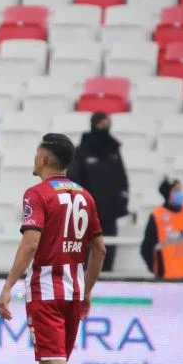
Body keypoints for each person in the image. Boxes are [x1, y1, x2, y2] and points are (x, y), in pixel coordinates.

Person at [0, 134, 107, 364]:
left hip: (45, 292)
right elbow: (99, 249)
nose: (34, 159)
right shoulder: (84, 196)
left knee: (53, 362)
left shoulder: (37, 194)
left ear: (44, 159)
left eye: (37, 154)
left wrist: (8, 286)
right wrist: (87, 291)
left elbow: (30, 243)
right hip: (73, 292)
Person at [68, 112, 129, 272]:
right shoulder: (82, 151)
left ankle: (106, 277)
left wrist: (121, 201)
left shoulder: (114, 150)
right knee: (85, 249)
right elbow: (73, 179)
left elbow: (121, 177)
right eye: (101, 125)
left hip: (109, 212)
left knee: (107, 249)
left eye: (106, 125)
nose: (104, 128)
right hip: (87, 211)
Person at [141, 178, 183, 279]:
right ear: (168, 193)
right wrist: (157, 270)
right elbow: (146, 248)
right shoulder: (157, 215)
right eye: (176, 191)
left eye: (180, 190)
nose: (180, 194)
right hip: (168, 276)